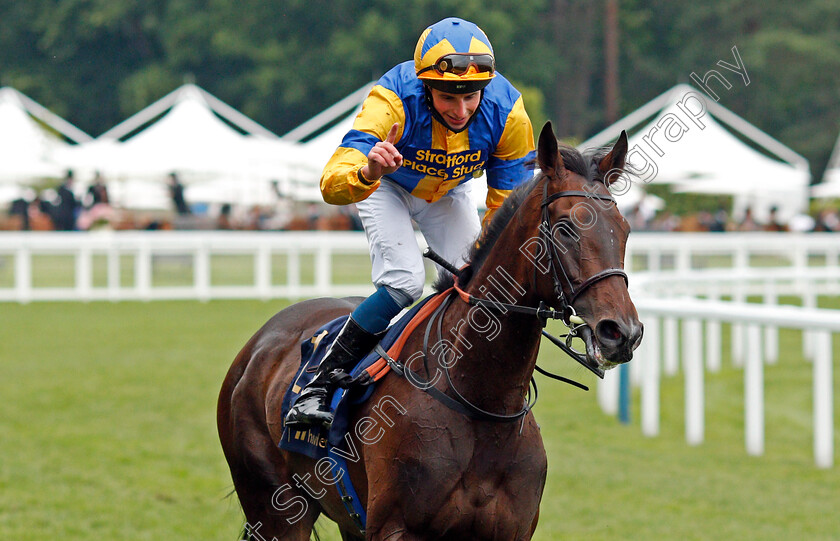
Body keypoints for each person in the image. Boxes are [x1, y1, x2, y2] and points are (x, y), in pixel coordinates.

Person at [286, 17, 536, 427]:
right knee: (403, 282)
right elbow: (331, 184)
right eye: (448, 97)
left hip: (450, 193)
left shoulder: (509, 113)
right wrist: (368, 172)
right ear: (424, 86)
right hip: (386, 186)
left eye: (471, 96)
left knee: (472, 281)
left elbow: (506, 210)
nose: (461, 110)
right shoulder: (391, 98)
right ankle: (316, 384)